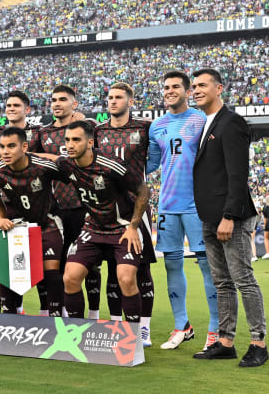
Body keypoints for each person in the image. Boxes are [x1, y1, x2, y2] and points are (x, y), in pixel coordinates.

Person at [191, 68, 268, 367]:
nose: (195, 90)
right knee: (222, 283)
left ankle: (258, 343)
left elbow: (238, 175)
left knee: (243, 279)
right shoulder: (207, 123)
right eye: (194, 86)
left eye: (202, 85)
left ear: (219, 88)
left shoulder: (231, 122)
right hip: (209, 216)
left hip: (228, 217)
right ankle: (225, 341)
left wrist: (229, 216)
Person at [146, 71, 219, 351]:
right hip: (167, 206)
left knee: (207, 267)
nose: (169, 91)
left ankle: (214, 329)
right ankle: (182, 326)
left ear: (188, 91)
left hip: (197, 207)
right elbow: (150, 165)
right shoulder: (157, 126)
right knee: (172, 265)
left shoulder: (201, 121)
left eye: (176, 86)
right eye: (166, 87)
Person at [50, 120, 149, 325]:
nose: (70, 144)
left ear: (90, 142)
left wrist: (133, 227)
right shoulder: (67, 163)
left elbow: (143, 190)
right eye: (67, 140)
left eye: (76, 140)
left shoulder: (110, 165)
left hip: (122, 228)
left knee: (126, 278)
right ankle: (76, 330)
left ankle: (133, 336)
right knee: (70, 277)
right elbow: (49, 158)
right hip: (93, 228)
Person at [95, 82, 156, 345]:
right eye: (110, 97)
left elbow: (156, 157)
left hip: (136, 207)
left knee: (140, 269)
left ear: (130, 102)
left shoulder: (144, 128)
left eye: (118, 97)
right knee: (112, 267)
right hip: (106, 208)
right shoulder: (97, 131)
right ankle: (117, 323)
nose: (112, 101)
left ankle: (144, 328)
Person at [0, 126, 65, 317]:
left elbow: (71, 173)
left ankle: (57, 319)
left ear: (24, 146)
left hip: (47, 224)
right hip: (17, 226)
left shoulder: (42, 166)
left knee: (51, 273)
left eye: (11, 146)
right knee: (8, 276)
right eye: (2, 147)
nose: (5, 151)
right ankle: (10, 319)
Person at [0, 90, 46, 315]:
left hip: (40, 206)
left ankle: (47, 313)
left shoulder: (38, 133)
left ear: (27, 109)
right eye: (8, 105)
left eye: (16, 105)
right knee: (12, 268)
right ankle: (14, 312)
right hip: (10, 208)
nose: (10, 108)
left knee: (45, 269)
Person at [37, 85, 97, 318]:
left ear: (74, 104)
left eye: (63, 99)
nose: (56, 103)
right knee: (58, 264)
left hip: (84, 206)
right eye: (53, 100)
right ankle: (61, 311)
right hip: (57, 209)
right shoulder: (43, 133)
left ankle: (93, 313)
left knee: (90, 264)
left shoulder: (88, 128)